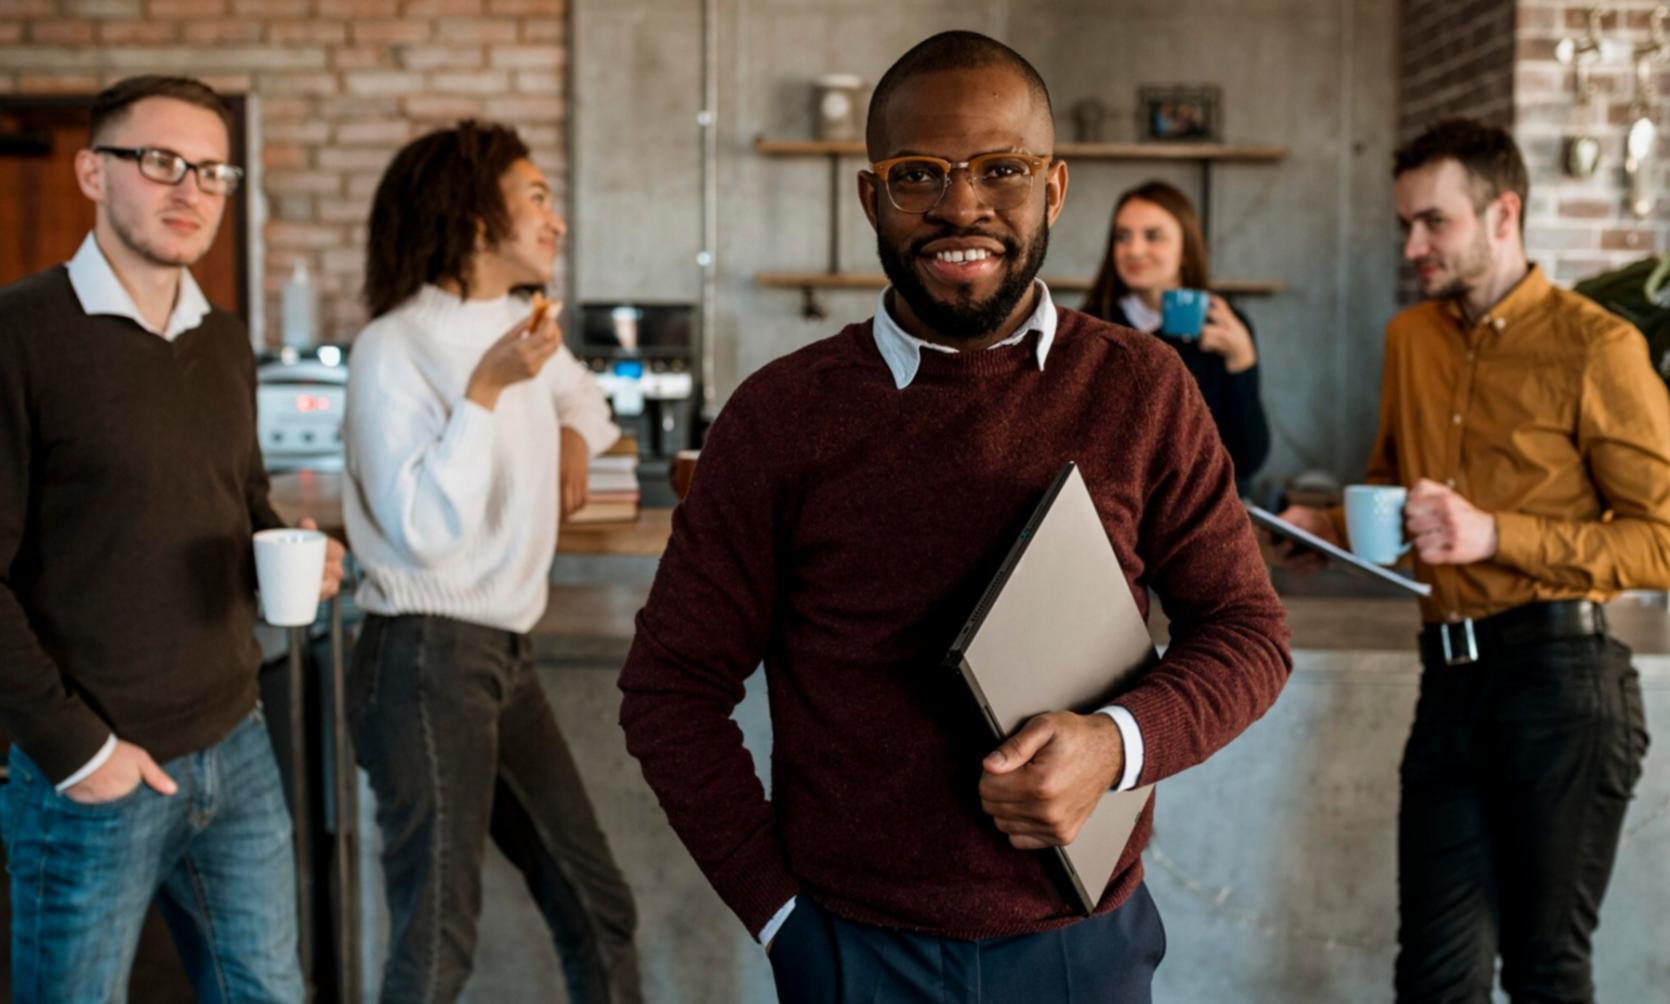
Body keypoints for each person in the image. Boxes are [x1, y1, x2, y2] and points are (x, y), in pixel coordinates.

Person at [618, 31, 1291, 1002]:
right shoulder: (778, 416)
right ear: (870, 198)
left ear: (1053, 189)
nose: (960, 204)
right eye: (918, 172)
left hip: (1084, 943)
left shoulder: (1142, 388)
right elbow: (669, 687)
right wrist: (781, 920)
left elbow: (1247, 633)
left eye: (1001, 169)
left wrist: (1114, 742)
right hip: (853, 948)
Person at [1276, 119, 1669, 1003]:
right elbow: (1395, 499)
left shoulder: (1597, 346)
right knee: (1433, 980)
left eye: (1433, 223)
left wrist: (1500, 535)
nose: (1412, 246)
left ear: (1503, 212)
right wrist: (1320, 529)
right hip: (1450, 685)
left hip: (1566, 687)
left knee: (1545, 975)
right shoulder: (1408, 339)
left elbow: (1663, 537)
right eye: (1404, 225)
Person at [0, 75, 345, 1003]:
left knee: (269, 995)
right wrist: (78, 751)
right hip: (91, 771)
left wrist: (293, 556)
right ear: (91, 173)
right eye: (159, 162)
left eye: (211, 170)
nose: (190, 189)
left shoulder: (225, 339)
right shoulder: (18, 335)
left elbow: (239, 502)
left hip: (236, 744)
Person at [343, 120, 642, 1004]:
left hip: (502, 656)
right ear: (477, 224)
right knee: (438, 943)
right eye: (537, 200)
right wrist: (486, 392)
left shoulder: (521, 326)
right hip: (422, 657)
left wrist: (572, 432)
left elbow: (589, 404)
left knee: (599, 905)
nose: (558, 221)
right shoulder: (392, 349)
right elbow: (424, 532)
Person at [1083, 180, 1270, 493]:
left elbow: (1248, 459)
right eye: (1122, 236)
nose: (1134, 250)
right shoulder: (1091, 325)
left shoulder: (1224, 325)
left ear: (1186, 246)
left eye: (1153, 236)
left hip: (1197, 504)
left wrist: (1243, 361)